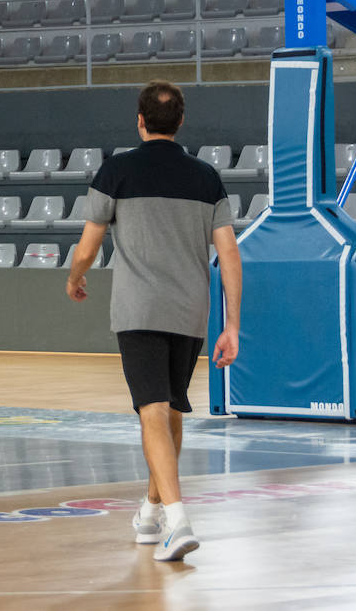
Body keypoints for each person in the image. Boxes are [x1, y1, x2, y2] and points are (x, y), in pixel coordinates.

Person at [64, 80, 241, 562]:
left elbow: (87, 247)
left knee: (153, 412)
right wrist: (233, 325)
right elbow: (229, 253)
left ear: (139, 121)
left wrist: (76, 277)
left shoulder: (115, 171)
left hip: (139, 311)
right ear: (180, 121)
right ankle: (149, 510)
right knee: (170, 411)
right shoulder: (207, 178)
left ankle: (178, 520)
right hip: (191, 314)